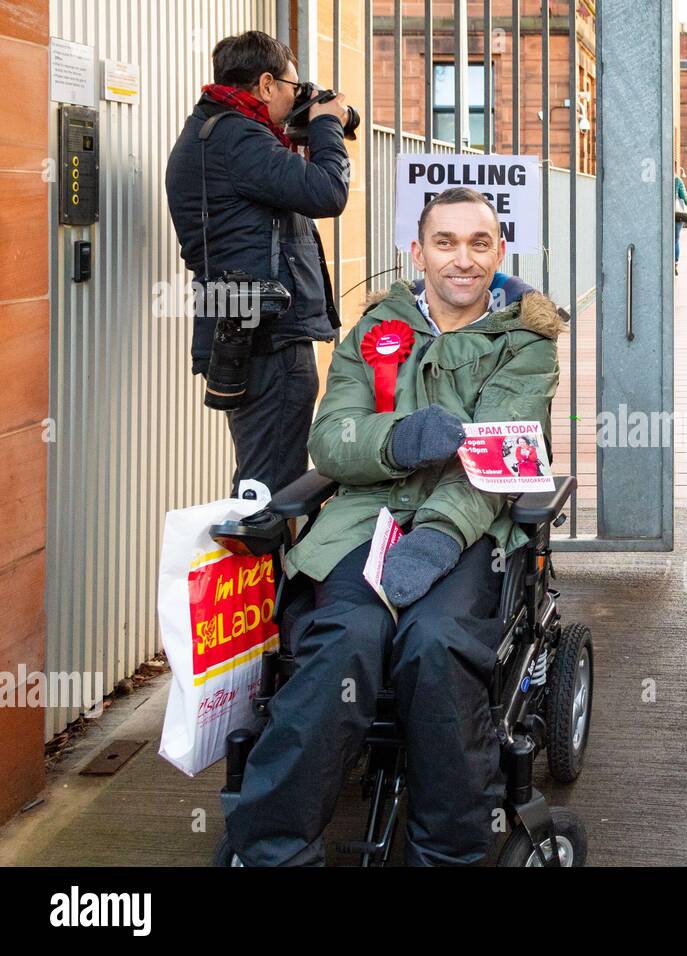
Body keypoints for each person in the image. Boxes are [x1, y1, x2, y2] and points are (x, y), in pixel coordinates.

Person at [223, 187, 565, 865]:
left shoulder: (526, 342)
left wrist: (438, 532)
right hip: (363, 521)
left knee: (434, 644)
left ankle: (446, 852)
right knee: (346, 635)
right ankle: (274, 850)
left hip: (470, 528)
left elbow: (497, 453)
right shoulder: (374, 331)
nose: (462, 260)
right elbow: (333, 439)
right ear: (418, 253)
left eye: (478, 243)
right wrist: (402, 437)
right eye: (445, 243)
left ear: (498, 252)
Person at [165, 30, 351, 495]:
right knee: (270, 489)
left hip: (240, 329)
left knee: (263, 477)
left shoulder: (209, 132)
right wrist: (328, 124)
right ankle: (262, 568)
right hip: (270, 340)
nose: (295, 97)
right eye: (291, 87)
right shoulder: (239, 139)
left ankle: (266, 564)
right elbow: (328, 192)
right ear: (266, 85)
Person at [674, 166, 687, 276]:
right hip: (677, 215)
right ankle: (675, 264)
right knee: (675, 240)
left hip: (663, 215)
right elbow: (685, 200)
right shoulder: (677, 180)